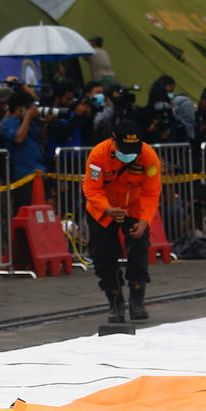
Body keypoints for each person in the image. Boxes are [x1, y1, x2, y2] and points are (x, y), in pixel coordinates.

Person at [82, 121, 161, 323]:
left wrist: (144, 220)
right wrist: (107, 209)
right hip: (103, 209)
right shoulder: (98, 155)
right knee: (103, 255)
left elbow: (152, 192)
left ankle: (137, 299)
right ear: (113, 141)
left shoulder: (148, 155)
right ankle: (115, 300)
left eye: (133, 151)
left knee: (139, 247)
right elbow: (91, 189)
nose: (130, 155)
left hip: (134, 207)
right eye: (124, 150)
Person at [0, 91, 46, 210]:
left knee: (42, 207)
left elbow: (41, 137)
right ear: (18, 108)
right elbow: (18, 138)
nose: (30, 110)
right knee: (24, 207)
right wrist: (27, 117)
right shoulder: (7, 123)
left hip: (39, 169)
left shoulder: (31, 123)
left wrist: (46, 122)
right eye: (27, 107)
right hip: (23, 172)